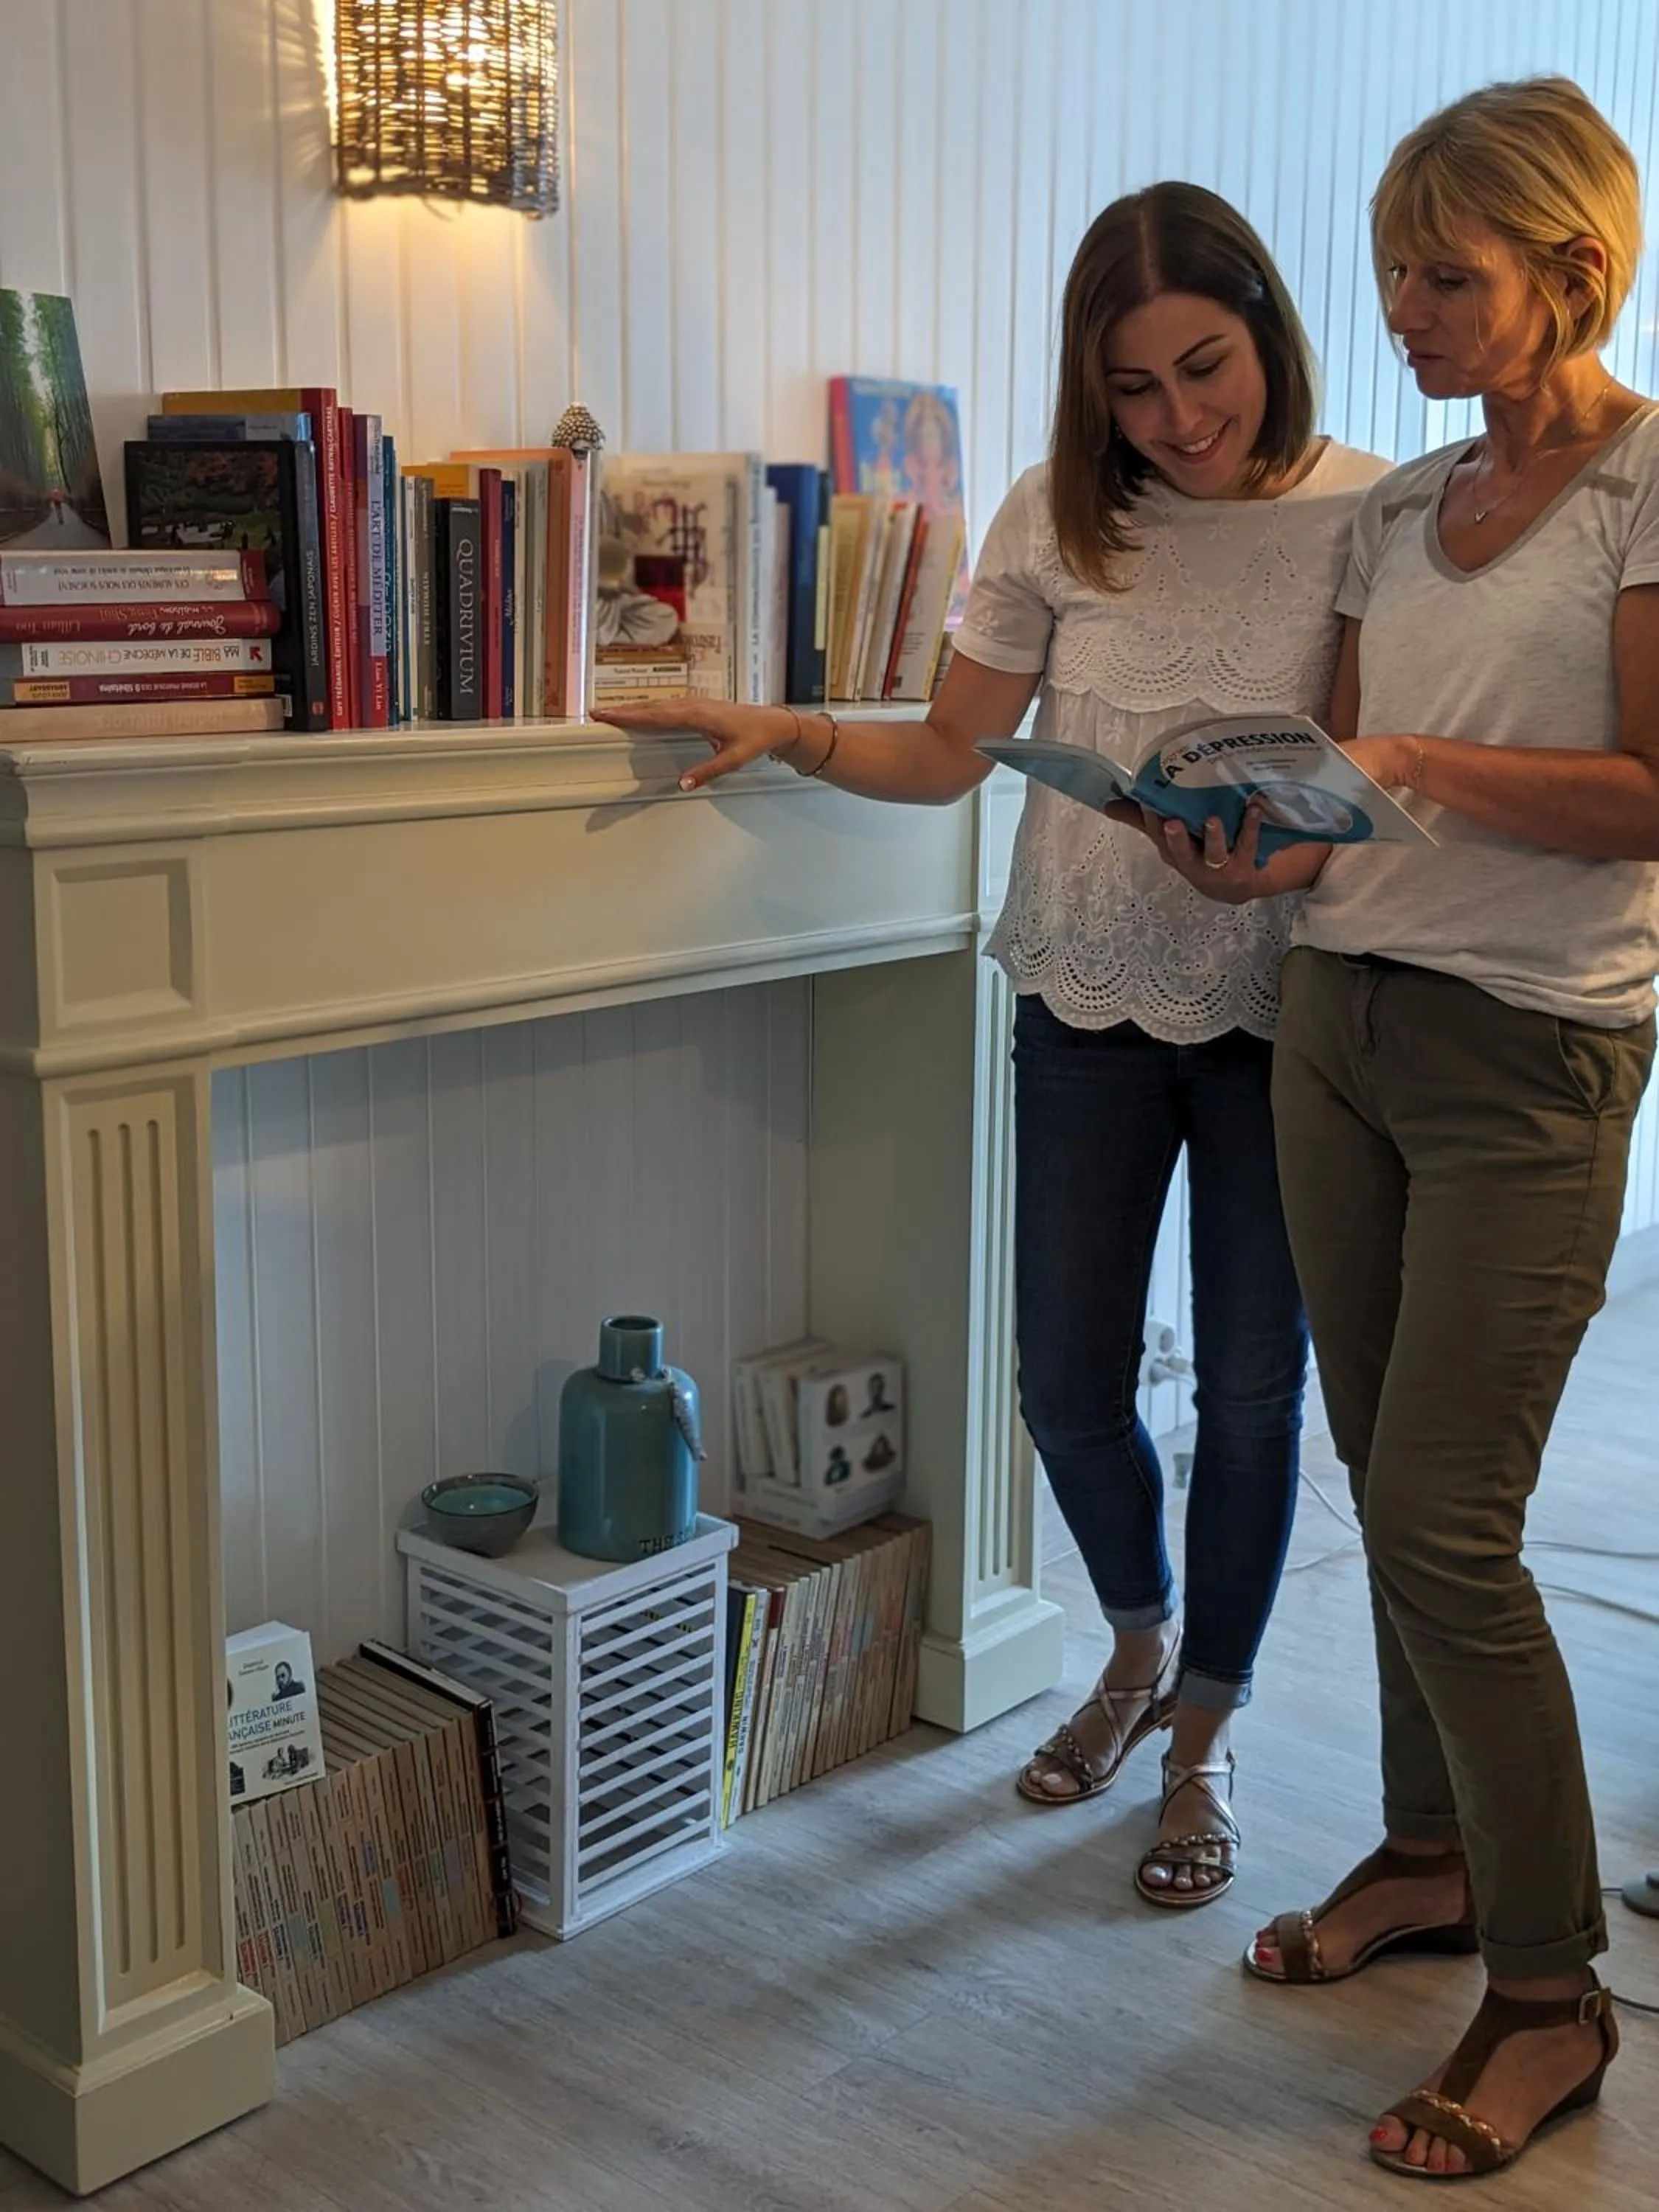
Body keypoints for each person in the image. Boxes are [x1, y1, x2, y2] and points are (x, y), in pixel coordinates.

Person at [597, 182, 1386, 1909]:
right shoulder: (1054, 518)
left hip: (1284, 1005)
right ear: (1086, 393)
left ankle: (1205, 1731)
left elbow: (1372, 769)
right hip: (1084, 990)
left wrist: (1284, 833)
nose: (1179, 418)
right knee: (1062, 1384)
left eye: (1207, 367)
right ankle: (1133, 1639)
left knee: (1257, 1396)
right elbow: (952, 750)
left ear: (1269, 332)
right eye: (1135, 388)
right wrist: (793, 728)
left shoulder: (1365, 512)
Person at [1142, 77, 1658, 2180]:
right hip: (1337, 1017)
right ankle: (1429, 1856)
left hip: (1532, 1049)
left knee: (1451, 1522)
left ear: (1568, 263)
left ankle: (1548, 1997)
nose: (1406, 311)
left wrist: (1406, 760)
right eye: (1391, 275)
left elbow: (1649, 799)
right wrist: (1246, 854)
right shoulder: (1389, 509)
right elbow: (1339, 788)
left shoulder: (1643, 485)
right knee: (1380, 1474)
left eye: (1444, 274)